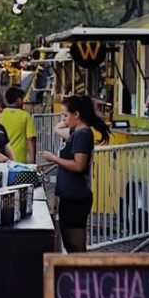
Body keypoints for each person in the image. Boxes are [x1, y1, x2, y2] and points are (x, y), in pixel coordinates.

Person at [43, 95, 110, 253]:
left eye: (65, 115)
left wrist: (55, 159)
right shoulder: (76, 132)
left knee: (76, 246)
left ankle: (82, 275)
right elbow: (58, 129)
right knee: (69, 243)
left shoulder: (82, 135)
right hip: (69, 194)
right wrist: (66, 117)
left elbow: (79, 165)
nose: (63, 119)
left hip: (76, 196)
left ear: (77, 114)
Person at [0, 86, 37, 163]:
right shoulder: (25, 115)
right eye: (22, 99)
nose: (23, 101)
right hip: (19, 161)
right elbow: (30, 140)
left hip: (2, 159)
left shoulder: (0, 114)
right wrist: (32, 162)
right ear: (18, 100)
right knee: (20, 176)